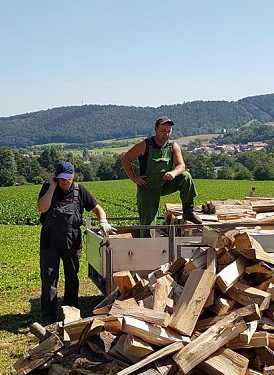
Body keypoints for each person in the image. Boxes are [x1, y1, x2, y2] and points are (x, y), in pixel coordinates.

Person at [37, 161, 113, 324]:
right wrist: (51, 187)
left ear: (73, 176)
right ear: (55, 178)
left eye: (68, 179)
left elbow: (98, 208)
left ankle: (70, 312)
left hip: (71, 240)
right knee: (49, 278)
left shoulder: (80, 191)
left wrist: (103, 220)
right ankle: (49, 317)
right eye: (62, 179)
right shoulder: (48, 188)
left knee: (72, 276)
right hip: (49, 241)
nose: (65, 182)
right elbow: (42, 208)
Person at [121, 116, 202, 237]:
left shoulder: (173, 146)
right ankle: (148, 248)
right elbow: (125, 158)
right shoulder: (144, 145)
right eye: (163, 131)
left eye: (169, 131)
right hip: (147, 188)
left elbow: (181, 165)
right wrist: (134, 178)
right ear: (155, 129)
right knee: (148, 225)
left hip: (165, 184)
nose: (166, 134)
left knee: (186, 177)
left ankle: (188, 211)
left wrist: (173, 173)